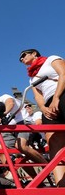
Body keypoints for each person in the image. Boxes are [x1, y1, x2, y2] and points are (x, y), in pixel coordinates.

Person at [19, 48, 65, 187]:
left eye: (23, 55)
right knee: (52, 139)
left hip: (61, 94)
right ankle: (61, 185)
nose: (22, 59)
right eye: (20, 58)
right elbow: (38, 96)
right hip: (49, 104)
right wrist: (44, 108)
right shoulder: (32, 77)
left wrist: (56, 97)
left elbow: (63, 73)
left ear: (34, 54)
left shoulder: (51, 59)